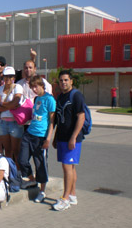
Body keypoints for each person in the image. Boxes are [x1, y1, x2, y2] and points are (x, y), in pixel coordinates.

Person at [18, 75, 56, 201]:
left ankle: (42, 191)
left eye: (36, 86)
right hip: (29, 133)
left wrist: (48, 139)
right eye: (32, 87)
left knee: (40, 164)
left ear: (42, 86)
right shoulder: (36, 99)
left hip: (41, 136)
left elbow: (52, 121)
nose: (34, 89)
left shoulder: (49, 99)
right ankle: (32, 180)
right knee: (22, 160)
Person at [52, 70, 86, 211]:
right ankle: (72, 195)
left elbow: (81, 116)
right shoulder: (60, 97)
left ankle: (65, 199)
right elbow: (59, 120)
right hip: (62, 137)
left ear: (71, 81)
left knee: (67, 167)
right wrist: (55, 137)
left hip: (72, 139)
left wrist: (73, 137)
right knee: (69, 167)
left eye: (66, 80)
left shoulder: (76, 95)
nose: (63, 82)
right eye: (61, 80)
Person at [0, 66, 24, 165]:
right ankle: (9, 172)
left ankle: (18, 173)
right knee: (7, 150)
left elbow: (16, 101)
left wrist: (3, 104)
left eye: (10, 76)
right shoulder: (0, 89)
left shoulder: (18, 87)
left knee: (16, 150)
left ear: (14, 78)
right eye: (6, 76)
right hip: (3, 122)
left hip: (14, 122)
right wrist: (10, 105)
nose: (8, 78)